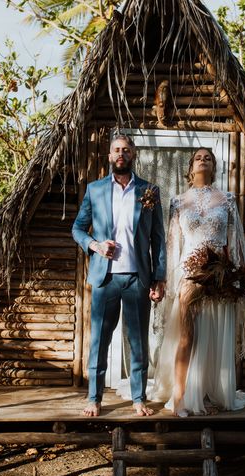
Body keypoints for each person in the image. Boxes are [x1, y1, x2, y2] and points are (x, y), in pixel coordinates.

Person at [151, 147, 245, 416]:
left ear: (214, 166)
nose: (203, 160)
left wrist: (237, 276)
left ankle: (209, 393)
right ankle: (181, 397)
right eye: (198, 157)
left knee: (214, 335)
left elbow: (236, 242)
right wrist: (171, 280)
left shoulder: (228, 200)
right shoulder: (178, 202)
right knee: (188, 336)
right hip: (189, 274)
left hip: (220, 276)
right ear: (190, 167)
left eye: (208, 157)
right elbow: (173, 243)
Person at [72, 135, 166, 417]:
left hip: (138, 277)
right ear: (109, 155)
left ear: (133, 154)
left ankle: (139, 399)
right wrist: (96, 245)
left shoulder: (149, 191)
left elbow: (158, 239)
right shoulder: (95, 189)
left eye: (126, 149)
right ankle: (94, 398)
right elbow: (78, 229)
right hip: (105, 278)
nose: (121, 154)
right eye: (116, 150)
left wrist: (159, 277)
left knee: (137, 341)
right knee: (99, 339)